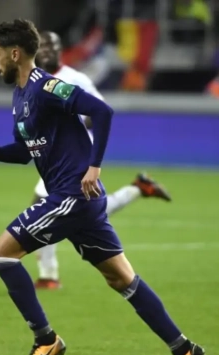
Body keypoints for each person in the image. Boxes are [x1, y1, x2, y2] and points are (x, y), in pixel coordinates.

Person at [0, 19, 205, 355]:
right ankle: (184, 349)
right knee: (121, 279)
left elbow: (103, 111)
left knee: (2, 255)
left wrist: (94, 166)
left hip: (72, 196)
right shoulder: (20, 96)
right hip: (78, 202)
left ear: (15, 54)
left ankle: (45, 340)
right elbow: (26, 153)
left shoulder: (46, 87)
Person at [32, 31, 172, 290]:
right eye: (43, 46)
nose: (47, 50)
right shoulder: (36, 79)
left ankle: (48, 276)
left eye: (52, 45)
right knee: (82, 209)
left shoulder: (75, 78)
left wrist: (71, 119)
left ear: (61, 50)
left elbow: (99, 111)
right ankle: (138, 189)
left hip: (75, 154)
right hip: (55, 156)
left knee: (47, 207)